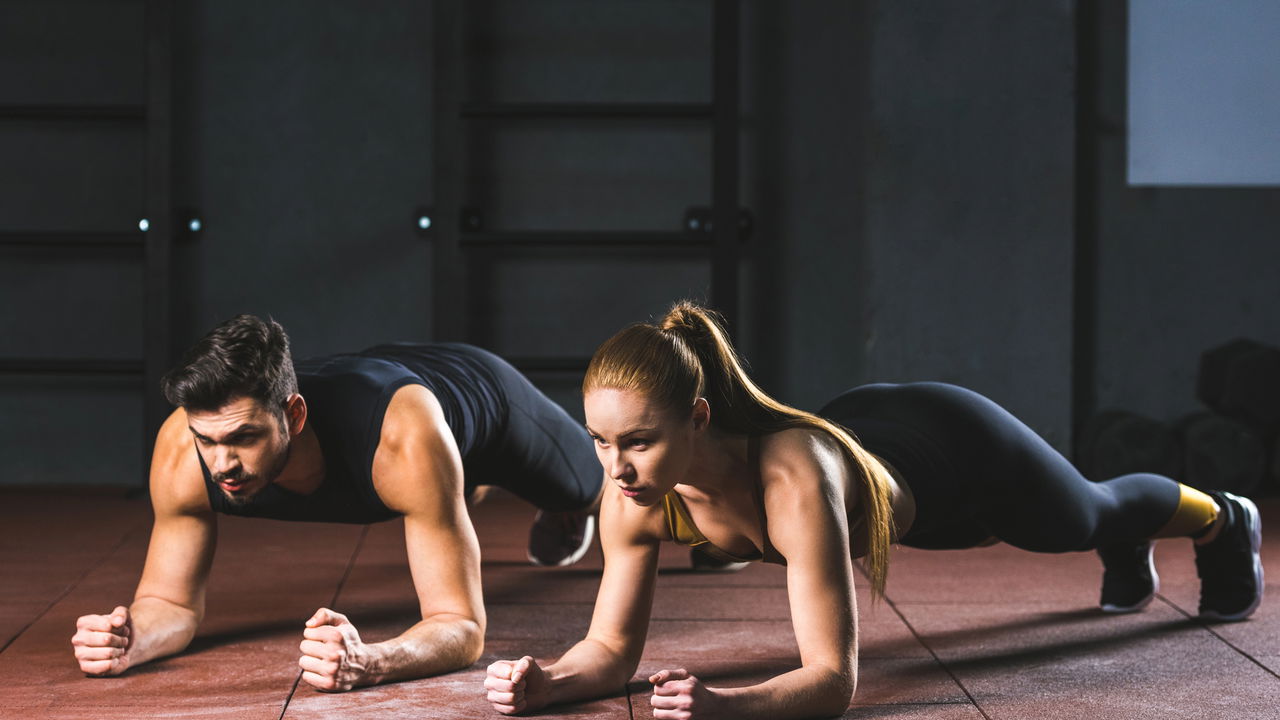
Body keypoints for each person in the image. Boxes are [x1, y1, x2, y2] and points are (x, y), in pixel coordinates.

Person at [483, 301, 1264, 719]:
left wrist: (732, 708)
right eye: (598, 441)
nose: (614, 471)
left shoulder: (791, 479)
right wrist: (549, 682)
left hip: (951, 445)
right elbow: (611, 652)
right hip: (889, 477)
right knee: (1055, 528)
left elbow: (832, 678)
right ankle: (1132, 544)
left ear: (698, 417)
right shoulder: (636, 500)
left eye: (639, 443)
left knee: (1081, 517)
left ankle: (1225, 519)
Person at [71, 314, 601, 691]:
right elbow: (173, 605)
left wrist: (372, 661)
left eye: (244, 438)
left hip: (483, 397)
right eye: (207, 440)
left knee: (610, 494)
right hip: (392, 400)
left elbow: (461, 626)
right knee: (438, 491)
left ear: (294, 417)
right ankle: (458, 493)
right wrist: (132, 639)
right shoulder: (183, 451)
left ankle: (545, 499)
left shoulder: (401, 441)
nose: (222, 464)